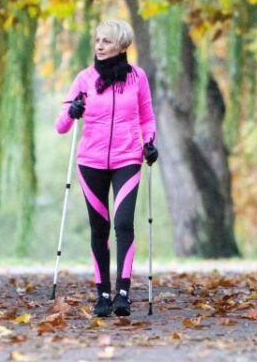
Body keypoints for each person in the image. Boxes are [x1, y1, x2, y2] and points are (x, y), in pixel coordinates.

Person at [54, 19, 158, 317]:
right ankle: (102, 294)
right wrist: (72, 112)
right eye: (97, 40)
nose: (99, 46)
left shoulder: (137, 78)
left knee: (124, 223)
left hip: (128, 158)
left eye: (106, 41)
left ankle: (123, 293)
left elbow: (147, 119)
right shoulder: (84, 79)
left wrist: (149, 143)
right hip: (91, 162)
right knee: (100, 228)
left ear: (122, 45)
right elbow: (61, 126)